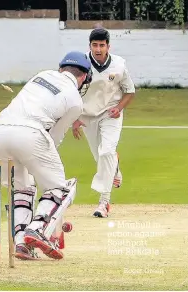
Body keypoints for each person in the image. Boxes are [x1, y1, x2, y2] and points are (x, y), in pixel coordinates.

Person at [0, 51, 92, 260]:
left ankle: (21, 244)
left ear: (62, 68)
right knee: (61, 188)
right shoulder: (75, 101)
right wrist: (40, 164)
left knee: (22, 188)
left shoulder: (42, 74)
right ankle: (36, 229)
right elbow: (54, 137)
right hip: (31, 133)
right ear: (83, 77)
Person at [72, 28, 135, 218]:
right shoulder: (80, 63)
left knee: (106, 151)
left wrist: (119, 108)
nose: (98, 49)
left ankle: (104, 203)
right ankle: (114, 166)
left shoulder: (118, 64)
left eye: (101, 45)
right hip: (87, 115)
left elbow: (130, 91)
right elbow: (71, 92)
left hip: (110, 113)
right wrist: (74, 118)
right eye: (94, 45)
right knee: (100, 158)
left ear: (108, 46)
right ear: (89, 46)